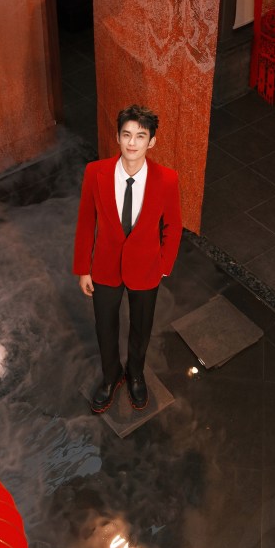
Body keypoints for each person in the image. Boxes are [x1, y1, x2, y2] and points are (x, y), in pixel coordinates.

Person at [73, 105, 183, 413]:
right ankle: (111, 376)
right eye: (126, 135)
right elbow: (86, 222)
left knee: (141, 327)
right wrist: (83, 269)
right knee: (104, 326)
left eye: (140, 136)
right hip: (104, 267)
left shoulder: (167, 179)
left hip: (147, 269)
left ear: (152, 141)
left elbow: (173, 226)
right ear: (118, 137)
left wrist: (163, 267)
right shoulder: (95, 172)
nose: (132, 143)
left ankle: (135, 374)